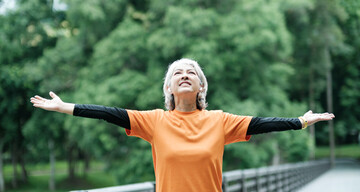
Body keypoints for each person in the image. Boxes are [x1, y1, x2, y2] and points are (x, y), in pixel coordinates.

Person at [30, 58, 335, 192]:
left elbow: (263, 124)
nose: (185, 74)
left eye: (192, 72)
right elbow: (108, 113)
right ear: (169, 89)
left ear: (201, 87)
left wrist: (300, 122)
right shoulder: (154, 121)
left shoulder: (219, 120)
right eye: (178, 73)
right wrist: (64, 107)